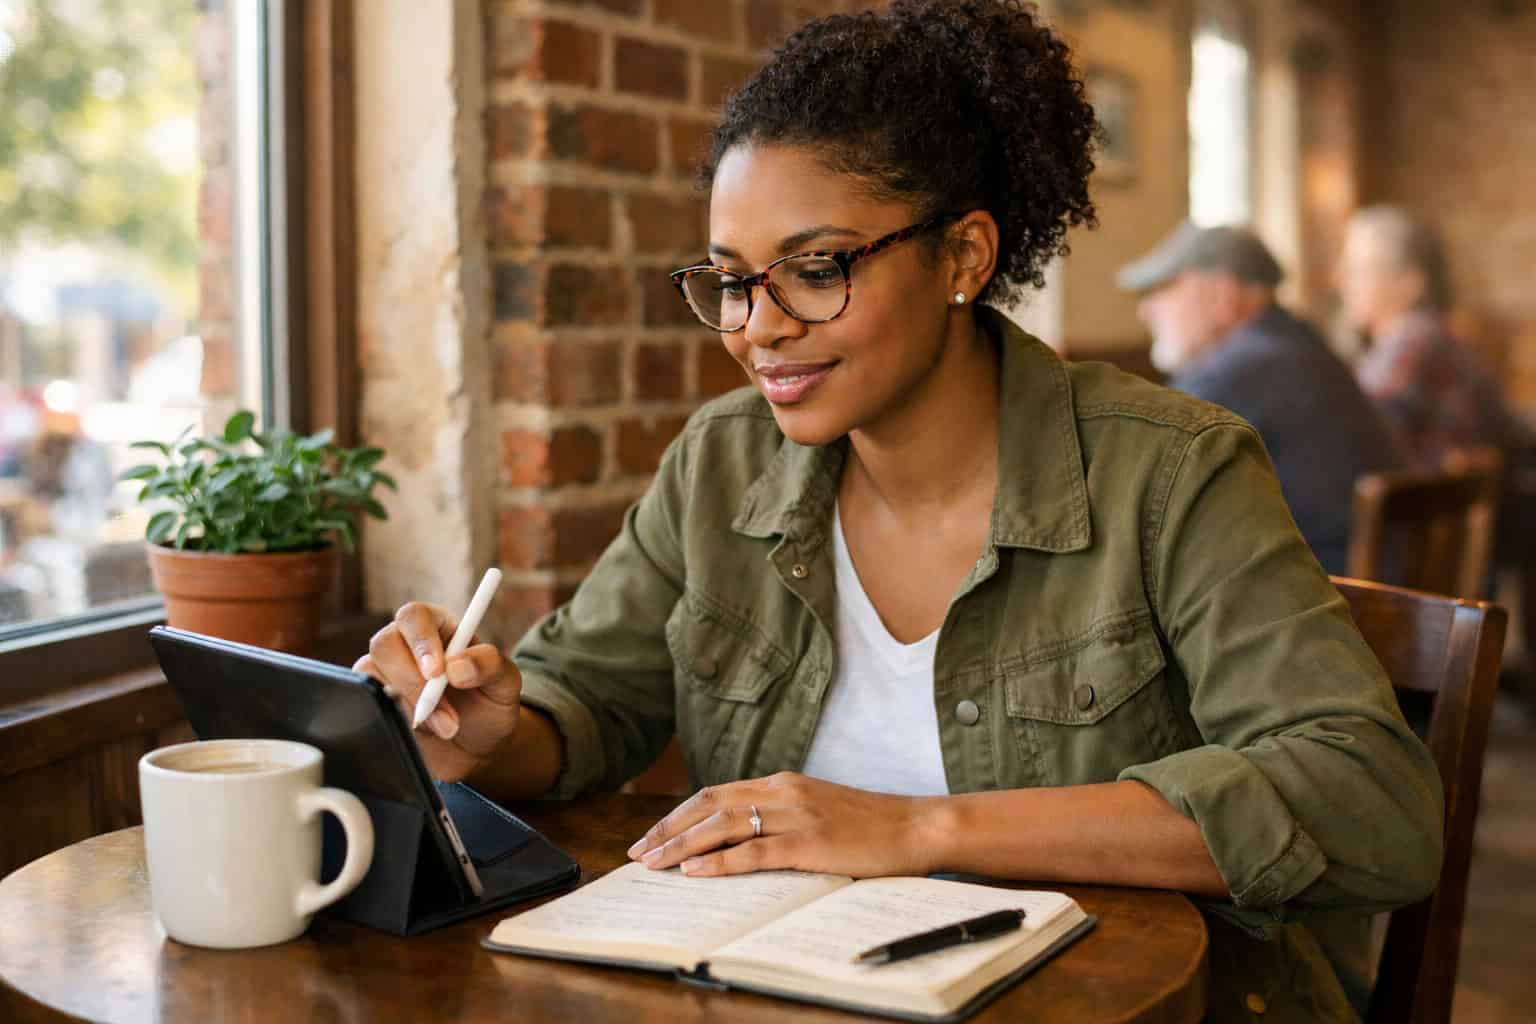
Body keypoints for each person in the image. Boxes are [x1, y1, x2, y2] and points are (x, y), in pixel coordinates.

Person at [356, 3, 1441, 1020]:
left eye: (816, 268)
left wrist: (917, 828)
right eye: (732, 279)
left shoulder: (1170, 472)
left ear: (964, 255)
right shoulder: (722, 465)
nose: (758, 327)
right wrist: (497, 734)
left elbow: (1370, 801)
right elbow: (585, 703)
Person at [1117, 221, 1402, 575]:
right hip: (1362, 584)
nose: (1146, 310)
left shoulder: (1239, 369)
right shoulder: (1297, 342)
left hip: (1325, 598)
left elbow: (1140, 491)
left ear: (1222, 295)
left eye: (1164, 289)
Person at [1337, 205, 1529, 468]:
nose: (1342, 282)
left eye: (1359, 270)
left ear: (1410, 282)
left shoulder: (1413, 343)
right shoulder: (1432, 334)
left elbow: (1353, 433)